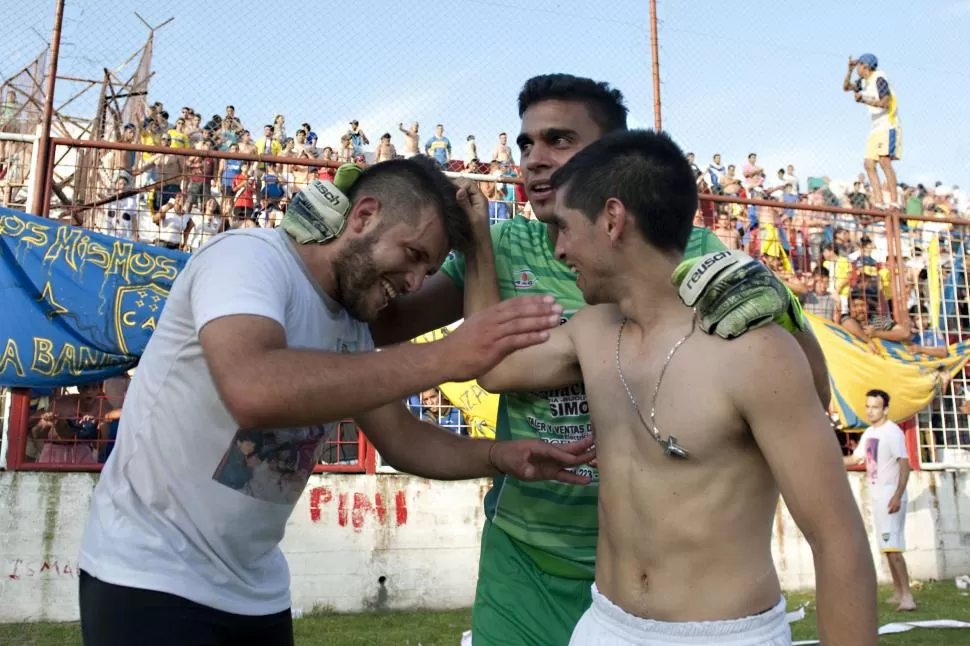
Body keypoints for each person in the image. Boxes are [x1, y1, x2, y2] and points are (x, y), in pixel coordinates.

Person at [368, 74, 833, 646]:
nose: (535, 160)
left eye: (558, 141)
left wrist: (784, 309)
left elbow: (805, 389)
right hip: (527, 554)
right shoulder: (503, 244)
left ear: (613, 160)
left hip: (669, 579)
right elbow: (383, 319)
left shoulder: (699, 256)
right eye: (525, 144)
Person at [76, 157, 596, 646]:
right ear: (364, 216)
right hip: (148, 575)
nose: (415, 282)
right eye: (413, 256)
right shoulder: (249, 258)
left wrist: (499, 457)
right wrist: (448, 355)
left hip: (255, 590)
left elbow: (402, 438)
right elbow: (251, 387)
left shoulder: (351, 323)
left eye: (428, 269)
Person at [478, 130, 878, 645]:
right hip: (604, 624)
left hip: (722, 634)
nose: (558, 250)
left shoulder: (752, 349)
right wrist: (476, 246)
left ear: (612, 219)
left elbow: (838, 538)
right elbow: (493, 371)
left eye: (565, 228)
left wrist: (792, 316)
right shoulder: (592, 331)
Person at [844, 389, 916, 612]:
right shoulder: (869, 433)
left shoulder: (892, 432)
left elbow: (905, 465)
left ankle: (907, 597)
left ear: (885, 409)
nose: (870, 411)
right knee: (886, 548)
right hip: (877, 496)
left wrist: (897, 495)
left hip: (889, 497)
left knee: (893, 549)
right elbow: (856, 458)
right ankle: (897, 592)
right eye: (868, 406)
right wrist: (825, 460)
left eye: (875, 407)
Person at [843, 53, 902, 209]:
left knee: (884, 161)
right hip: (875, 126)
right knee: (868, 164)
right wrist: (849, 70)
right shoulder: (865, 82)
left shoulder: (879, 78)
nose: (857, 69)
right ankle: (879, 201)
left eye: (858, 66)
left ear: (865, 66)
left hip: (887, 124)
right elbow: (846, 87)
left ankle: (894, 201)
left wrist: (863, 100)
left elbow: (885, 102)